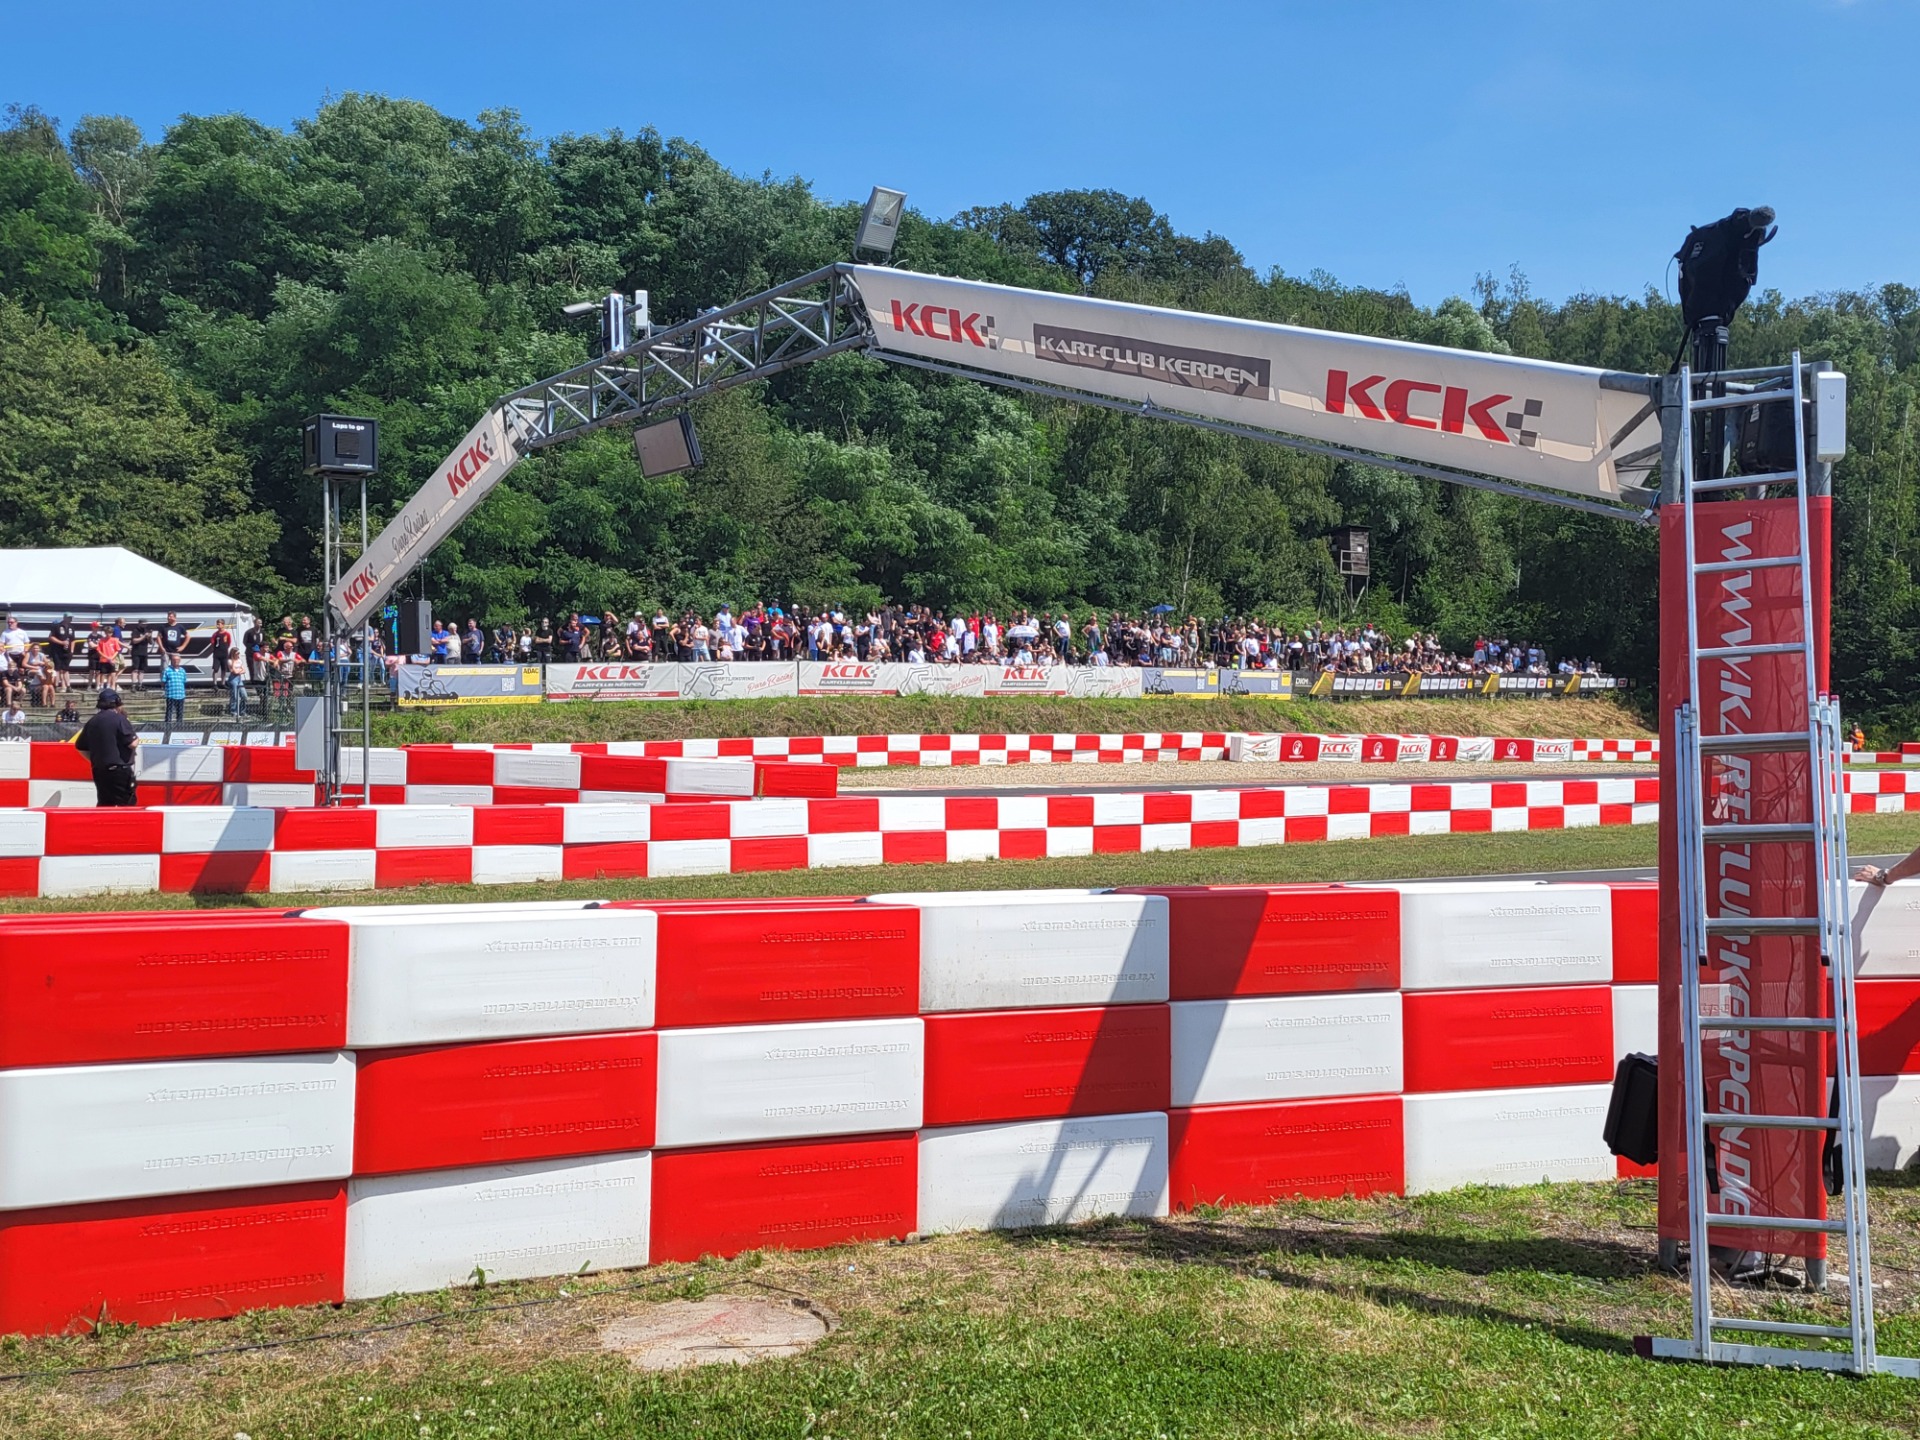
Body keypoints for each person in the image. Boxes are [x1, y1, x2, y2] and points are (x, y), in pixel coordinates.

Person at [75, 687, 138, 806]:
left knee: (105, 804)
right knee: (126, 804)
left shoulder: (92, 721)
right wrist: (137, 739)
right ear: (117, 703)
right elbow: (132, 743)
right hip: (119, 770)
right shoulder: (119, 719)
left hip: (99, 770)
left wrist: (97, 760)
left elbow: (80, 746)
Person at [160, 652, 189, 730]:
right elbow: (163, 682)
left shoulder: (183, 670)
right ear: (171, 661)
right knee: (169, 712)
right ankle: (167, 727)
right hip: (171, 695)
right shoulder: (167, 670)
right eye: (174, 660)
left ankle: (179, 727)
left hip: (181, 695)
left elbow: (184, 681)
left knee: (180, 712)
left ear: (180, 660)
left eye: (177, 660)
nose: (176, 661)